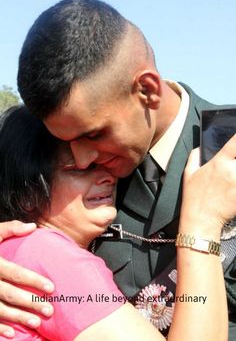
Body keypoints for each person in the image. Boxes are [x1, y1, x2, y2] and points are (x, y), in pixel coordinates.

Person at [0, 0, 235, 339]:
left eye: (93, 134)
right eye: (66, 141)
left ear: (147, 91)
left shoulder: (227, 146)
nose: (81, 159)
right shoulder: (55, 166)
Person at [0, 105, 233, 341]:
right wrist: (203, 221)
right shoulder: (47, 253)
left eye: (104, 162)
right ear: (27, 194)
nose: (108, 176)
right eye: (82, 168)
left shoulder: (18, 250)